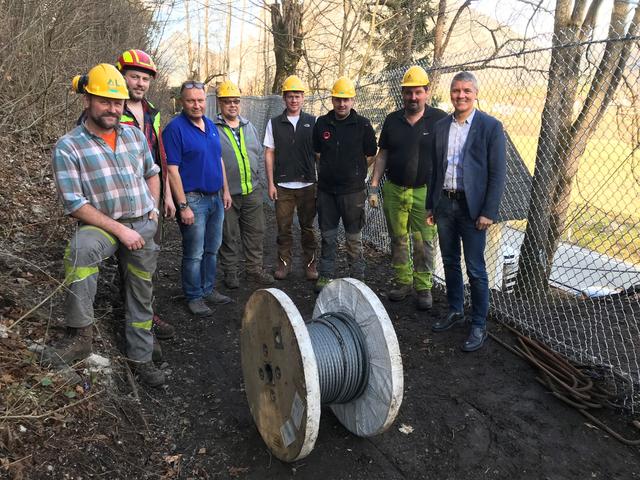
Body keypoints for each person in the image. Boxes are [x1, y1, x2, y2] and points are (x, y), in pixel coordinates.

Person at [50, 63, 165, 386]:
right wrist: (120, 230)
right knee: (80, 252)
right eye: (105, 101)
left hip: (142, 221)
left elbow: (152, 172)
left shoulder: (132, 136)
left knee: (141, 291)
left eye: (118, 102)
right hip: (101, 224)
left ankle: (140, 356)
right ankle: (80, 334)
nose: (113, 108)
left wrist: (152, 211)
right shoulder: (69, 146)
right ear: (88, 99)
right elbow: (74, 204)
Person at [426, 71, 506, 352]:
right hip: (444, 204)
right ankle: (455, 309)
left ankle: (478, 324)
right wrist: (431, 205)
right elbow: (435, 169)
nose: (461, 96)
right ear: (451, 93)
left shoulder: (490, 127)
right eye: (456, 91)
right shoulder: (441, 126)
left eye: (466, 91)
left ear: (475, 94)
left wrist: (488, 211)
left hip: (473, 210)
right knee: (448, 260)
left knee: (475, 267)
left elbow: (497, 175)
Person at [369, 65, 447, 311]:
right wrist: (373, 186)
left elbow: (448, 156)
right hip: (393, 189)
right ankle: (403, 281)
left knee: (424, 241)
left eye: (418, 92)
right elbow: (382, 155)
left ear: (426, 92)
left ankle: (423, 287)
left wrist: (442, 192)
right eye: (408, 92)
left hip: (424, 192)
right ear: (402, 93)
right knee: (398, 239)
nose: (413, 97)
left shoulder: (440, 120)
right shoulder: (392, 120)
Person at [115, 49, 176, 341]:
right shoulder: (111, 108)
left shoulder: (152, 110)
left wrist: (165, 195)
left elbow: (159, 154)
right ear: (122, 76)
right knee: (128, 259)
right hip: (123, 198)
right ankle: (130, 316)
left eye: (144, 78)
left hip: (151, 193)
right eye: (134, 76)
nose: (139, 83)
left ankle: (146, 313)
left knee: (149, 257)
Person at [163, 81, 232, 317]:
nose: (196, 105)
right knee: (194, 253)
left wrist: (226, 190)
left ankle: (208, 288)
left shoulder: (211, 125)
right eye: (191, 100)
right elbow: (172, 170)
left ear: (206, 100)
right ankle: (193, 296)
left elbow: (218, 159)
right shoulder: (175, 129)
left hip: (215, 199)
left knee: (212, 249)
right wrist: (183, 206)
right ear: (182, 102)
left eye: (200, 100)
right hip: (193, 200)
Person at [313, 76, 377, 292]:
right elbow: (318, 152)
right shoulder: (322, 123)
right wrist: (332, 169)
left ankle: (357, 278)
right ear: (332, 99)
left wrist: (354, 172)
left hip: (353, 192)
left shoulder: (363, 125)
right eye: (338, 99)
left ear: (353, 100)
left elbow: (371, 154)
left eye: (346, 99)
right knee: (328, 235)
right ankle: (325, 275)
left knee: (354, 238)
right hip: (326, 191)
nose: (342, 104)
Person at [214, 80, 274, 288]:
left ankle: (254, 269)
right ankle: (230, 272)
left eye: (236, 101)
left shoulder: (249, 127)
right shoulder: (213, 129)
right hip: (227, 193)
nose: (232, 105)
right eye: (228, 101)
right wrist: (222, 189)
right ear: (219, 104)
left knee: (255, 232)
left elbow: (257, 154)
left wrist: (259, 179)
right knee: (228, 234)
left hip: (252, 190)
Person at [264, 75, 318, 281]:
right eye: (289, 96)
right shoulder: (275, 123)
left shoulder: (313, 122)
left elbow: (320, 155)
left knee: (308, 227)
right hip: (283, 185)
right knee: (283, 228)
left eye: (297, 96)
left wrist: (319, 181)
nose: (294, 100)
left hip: (308, 184)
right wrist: (271, 183)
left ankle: (311, 264)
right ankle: (284, 263)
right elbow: (269, 152)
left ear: (303, 98)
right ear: (284, 99)